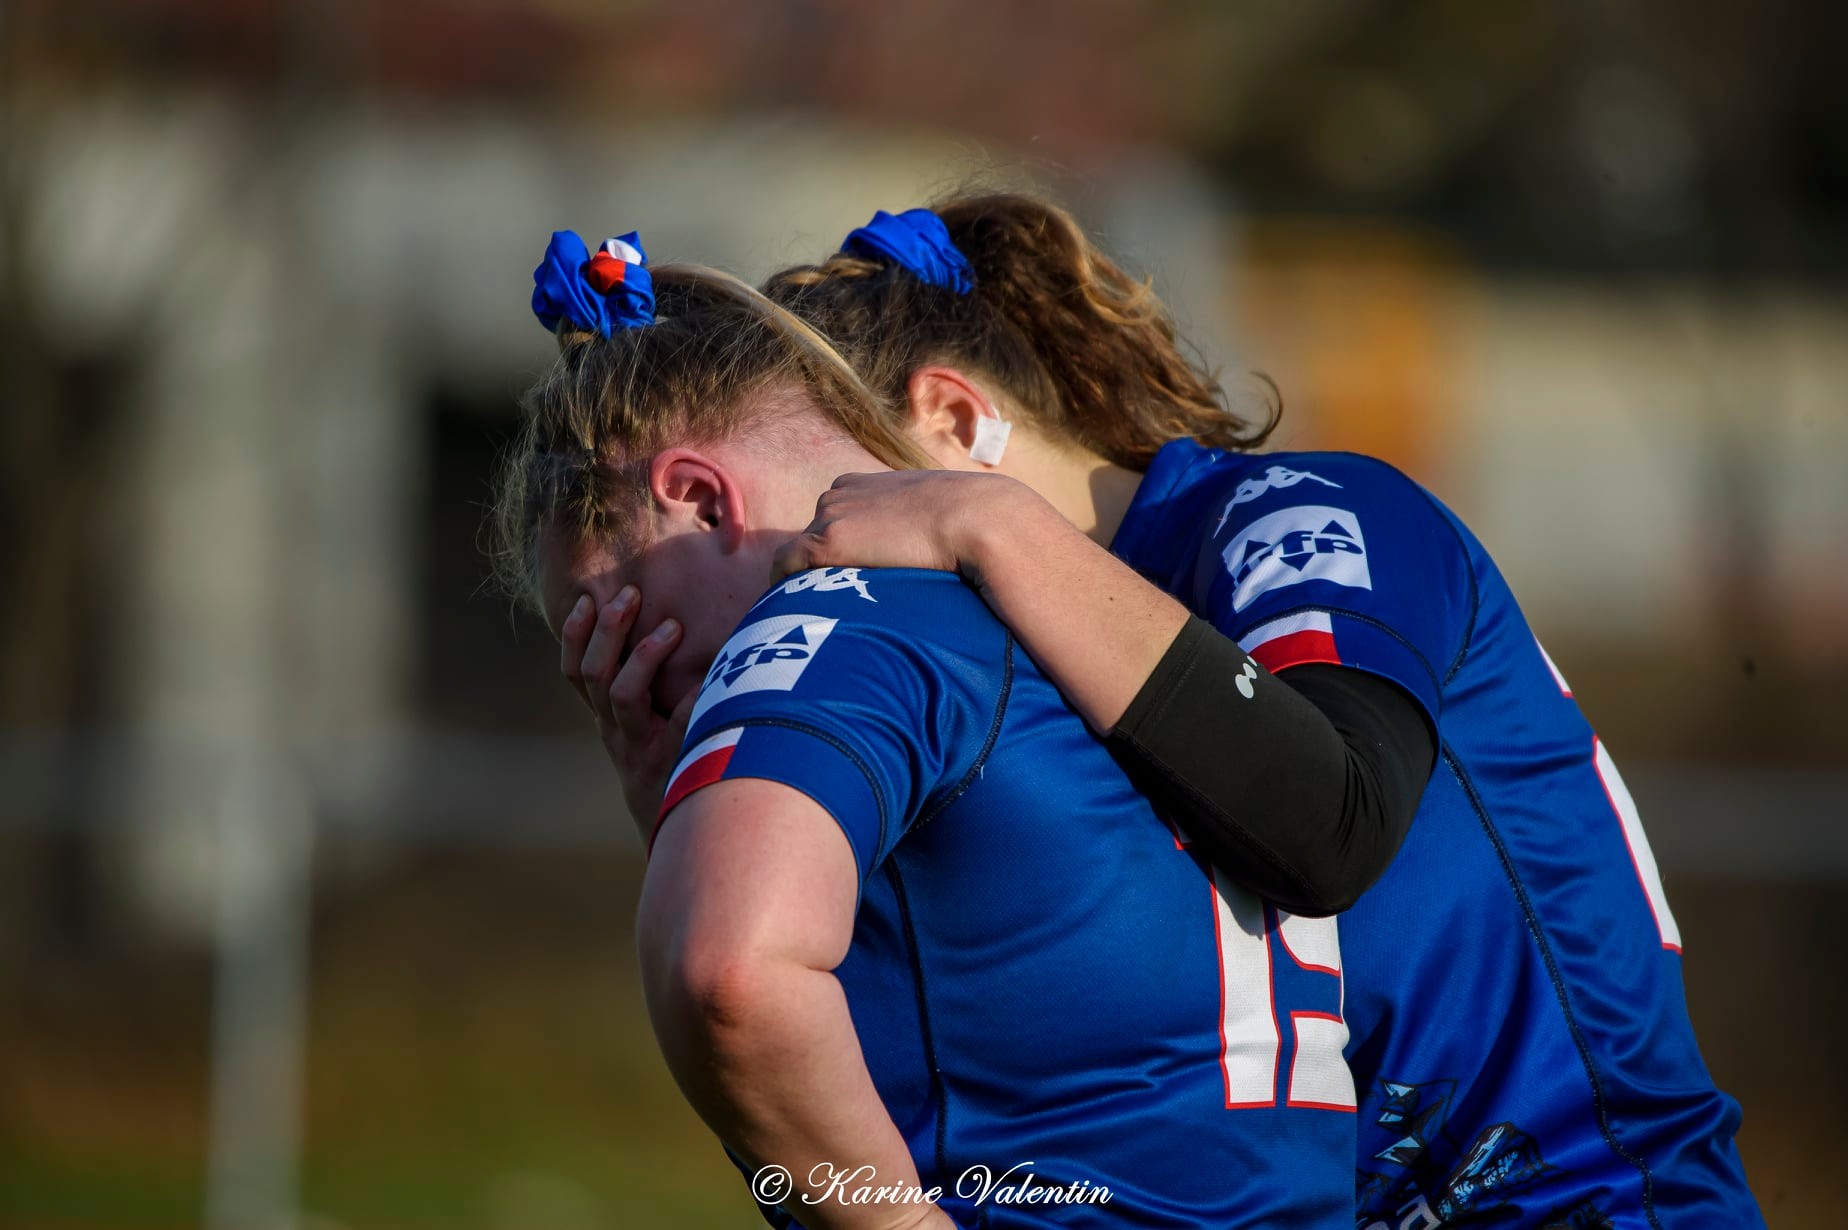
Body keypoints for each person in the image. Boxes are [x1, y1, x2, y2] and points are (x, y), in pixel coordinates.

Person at [561, 200, 1765, 1228]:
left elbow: (1328, 821)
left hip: (1586, 1201)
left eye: (856, 485)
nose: (834, 553)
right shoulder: (1013, 696)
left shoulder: (1296, 514)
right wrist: (694, 828)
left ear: (958, 422)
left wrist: (990, 524)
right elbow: (884, 1112)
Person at [495, 230, 1357, 1229]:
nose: (633, 689)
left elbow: (730, 977)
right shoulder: (1083, 629)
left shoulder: (826, 626)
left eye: (630, 627)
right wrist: (684, 817)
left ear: (698, 496)